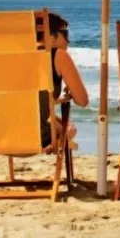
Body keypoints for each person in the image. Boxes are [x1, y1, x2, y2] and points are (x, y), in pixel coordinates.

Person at [40, 12, 89, 149]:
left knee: (59, 123)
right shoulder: (57, 55)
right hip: (34, 137)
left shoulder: (14, 58)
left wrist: (54, 99)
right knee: (70, 129)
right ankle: (61, 141)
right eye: (65, 34)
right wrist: (72, 93)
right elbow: (83, 100)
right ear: (50, 37)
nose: (68, 41)